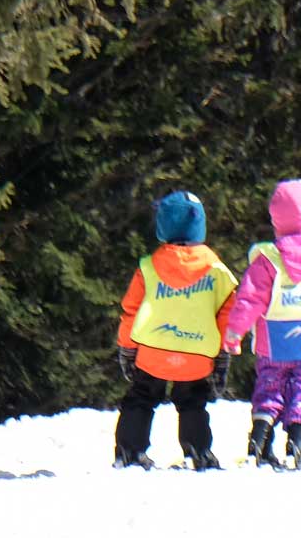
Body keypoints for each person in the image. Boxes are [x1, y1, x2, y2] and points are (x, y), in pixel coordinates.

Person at [221, 178, 301, 468]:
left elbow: (249, 299)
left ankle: (261, 439)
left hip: (273, 341)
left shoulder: (267, 260)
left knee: (270, 386)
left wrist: (234, 332)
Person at [113, 189, 239, 470]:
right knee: (193, 401)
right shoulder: (217, 270)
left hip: (152, 351)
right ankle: (198, 449)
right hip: (196, 353)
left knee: (141, 398)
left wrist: (127, 347)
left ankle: (129, 450)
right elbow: (228, 314)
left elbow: (131, 311)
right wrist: (223, 352)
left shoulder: (148, 267)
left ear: (163, 227)